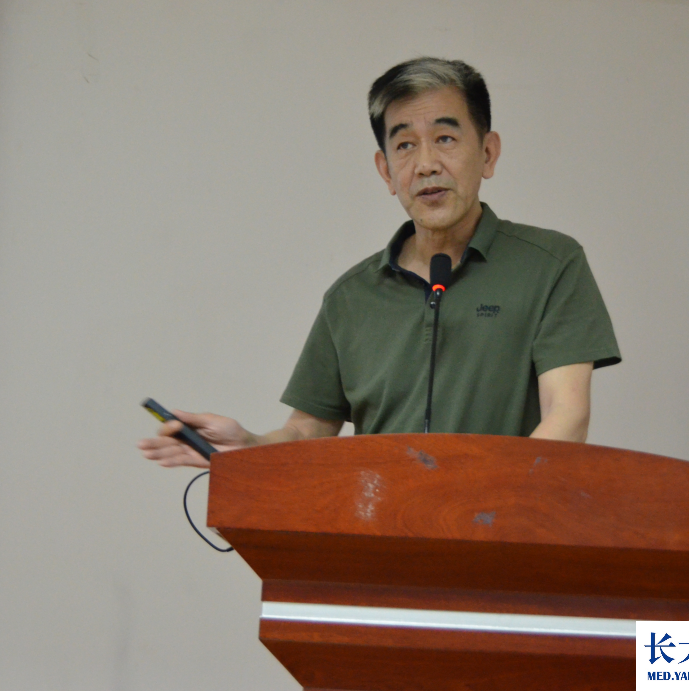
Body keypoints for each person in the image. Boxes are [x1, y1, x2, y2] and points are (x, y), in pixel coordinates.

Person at [138, 58, 620, 469]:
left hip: (503, 532)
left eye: (445, 138)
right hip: (378, 534)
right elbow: (307, 430)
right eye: (405, 145)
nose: (426, 164)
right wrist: (249, 445)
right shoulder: (350, 297)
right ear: (386, 171)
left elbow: (567, 416)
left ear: (488, 153)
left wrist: (484, 500)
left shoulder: (550, 264)